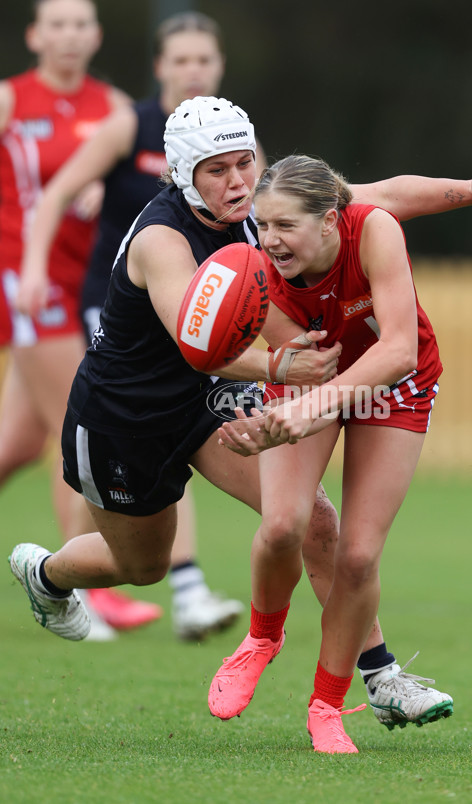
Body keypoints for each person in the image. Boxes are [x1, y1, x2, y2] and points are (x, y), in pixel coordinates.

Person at [8, 96, 472, 738]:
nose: (238, 181)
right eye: (218, 170)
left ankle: (380, 676)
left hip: (203, 401)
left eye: (244, 163)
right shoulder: (162, 239)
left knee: (311, 520)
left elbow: (376, 197)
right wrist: (281, 369)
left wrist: (471, 192)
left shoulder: (261, 213)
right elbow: (197, 342)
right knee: (142, 566)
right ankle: (47, 574)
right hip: (125, 419)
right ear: (184, 173)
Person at [208, 152, 472, 753]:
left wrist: (469, 194)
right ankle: (262, 638)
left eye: (285, 225)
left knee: (358, 557)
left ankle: (327, 708)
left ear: (332, 219)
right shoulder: (258, 273)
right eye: (263, 225)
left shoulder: (373, 229)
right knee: (284, 523)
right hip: (317, 376)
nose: (270, 240)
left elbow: (398, 352)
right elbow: (246, 356)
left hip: (398, 383)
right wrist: (266, 422)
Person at [8, 11, 267, 640]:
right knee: (102, 444)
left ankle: (87, 577)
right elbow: (54, 192)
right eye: (180, 60)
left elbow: (311, 204)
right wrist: (33, 263)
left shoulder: (214, 148)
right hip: (97, 302)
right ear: (161, 67)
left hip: (165, 326)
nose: (192, 70)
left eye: (203, 60)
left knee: (13, 447)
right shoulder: (112, 120)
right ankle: (166, 587)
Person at [0, 0, 144, 639]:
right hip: (28, 282)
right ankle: (80, 587)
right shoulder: (10, 99)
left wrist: (100, 187)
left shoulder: (112, 106)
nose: (68, 35)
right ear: (34, 35)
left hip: (88, 283)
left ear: (96, 36)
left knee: (19, 444)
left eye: (80, 24)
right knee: (74, 424)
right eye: (55, 24)